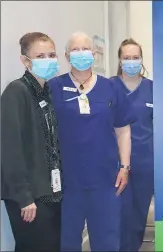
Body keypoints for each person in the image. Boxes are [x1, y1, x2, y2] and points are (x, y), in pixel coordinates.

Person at [48, 31, 136, 251]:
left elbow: (123, 129)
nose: (81, 53)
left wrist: (125, 167)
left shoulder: (111, 87)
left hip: (105, 179)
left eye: (85, 48)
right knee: (67, 240)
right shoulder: (53, 88)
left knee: (106, 239)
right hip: (67, 182)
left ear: (94, 53)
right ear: (67, 56)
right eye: (75, 50)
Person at [1, 32, 62, 251]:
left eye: (52, 54)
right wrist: (25, 197)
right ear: (25, 61)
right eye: (41, 55)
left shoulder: (48, 92)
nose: (48, 59)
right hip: (29, 196)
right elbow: (10, 149)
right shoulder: (16, 92)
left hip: (50, 191)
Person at [110, 38, 153, 252]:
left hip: (146, 162)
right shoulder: (108, 86)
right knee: (117, 213)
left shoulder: (152, 88)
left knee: (138, 214)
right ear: (119, 60)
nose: (131, 61)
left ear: (142, 59)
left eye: (135, 57)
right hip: (115, 163)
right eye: (127, 58)